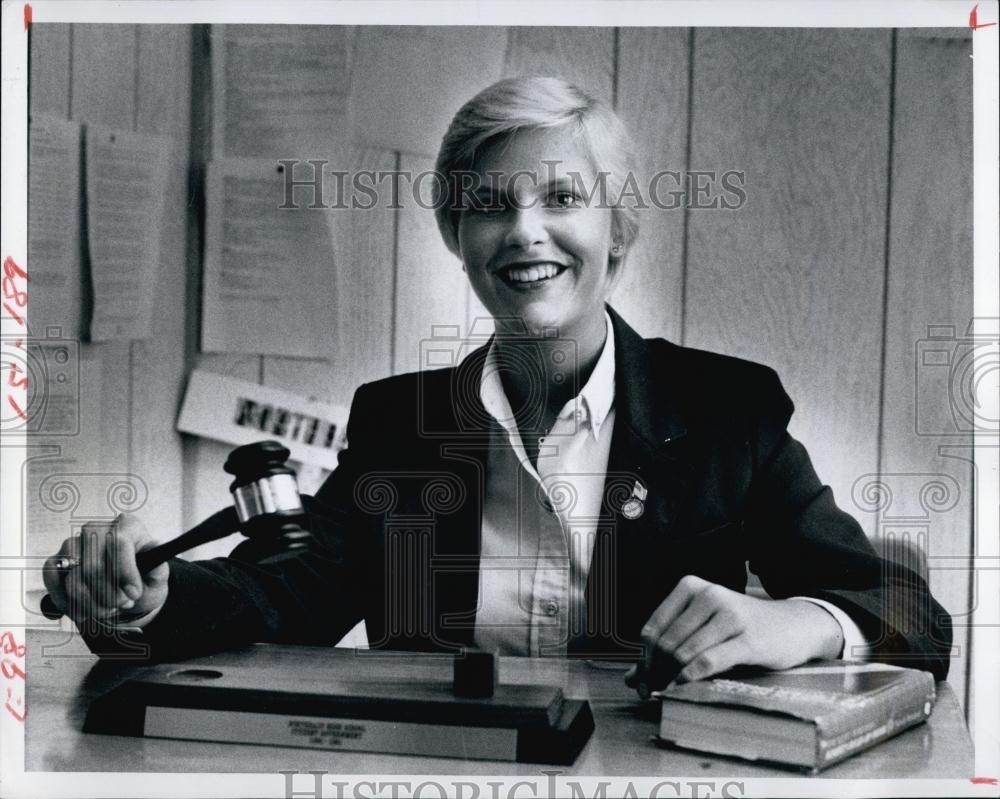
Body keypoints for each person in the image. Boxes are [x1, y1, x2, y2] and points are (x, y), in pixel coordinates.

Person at [43, 76, 952, 692]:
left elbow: (914, 615)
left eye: (561, 198)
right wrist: (151, 597)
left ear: (620, 232)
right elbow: (286, 593)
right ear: (455, 238)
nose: (524, 233)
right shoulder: (399, 421)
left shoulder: (727, 411)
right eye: (488, 205)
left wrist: (801, 622)